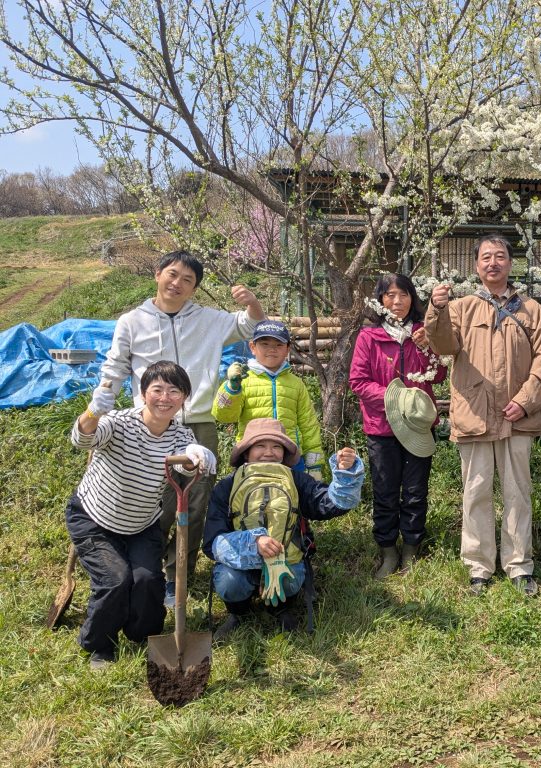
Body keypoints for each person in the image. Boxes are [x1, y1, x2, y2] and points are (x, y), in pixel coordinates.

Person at [99, 250, 266, 607]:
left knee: (194, 502)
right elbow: (114, 369)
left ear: (194, 289)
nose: (177, 283)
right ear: (158, 274)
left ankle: (179, 576)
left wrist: (252, 303)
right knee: (150, 501)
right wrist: (100, 412)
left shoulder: (208, 319)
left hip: (199, 424)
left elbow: (250, 327)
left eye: (187, 280)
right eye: (172, 275)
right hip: (150, 425)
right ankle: (145, 571)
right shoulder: (132, 321)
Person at [424, 234, 541, 597]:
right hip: (475, 415)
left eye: (500, 256)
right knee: (476, 492)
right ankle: (478, 566)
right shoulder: (462, 307)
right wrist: (436, 309)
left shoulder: (533, 310)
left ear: (511, 263)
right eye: (486, 257)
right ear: (476, 266)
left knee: (518, 492)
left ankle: (518, 565)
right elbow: (444, 346)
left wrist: (526, 400)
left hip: (518, 417)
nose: (493, 262)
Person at [64, 361, 216, 669]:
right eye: (157, 389)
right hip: (94, 519)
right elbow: (81, 439)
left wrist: (196, 457)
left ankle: (141, 636)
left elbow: (185, 462)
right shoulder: (118, 422)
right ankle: (100, 645)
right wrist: (93, 412)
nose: (165, 398)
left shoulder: (179, 434)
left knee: (147, 580)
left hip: (141, 524)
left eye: (174, 391)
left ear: (184, 397)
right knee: (116, 579)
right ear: (142, 393)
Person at [203, 418, 364, 638]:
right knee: (230, 582)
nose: (269, 452)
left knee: (289, 581)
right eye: (260, 445)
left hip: (286, 559)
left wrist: (345, 474)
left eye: (276, 446)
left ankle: (279, 607)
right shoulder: (227, 486)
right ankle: (238, 612)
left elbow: (328, 504)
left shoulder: (296, 480)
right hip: (239, 564)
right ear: (246, 452)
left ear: (284, 453)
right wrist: (254, 543)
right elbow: (213, 542)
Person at [349, 274, 446, 580]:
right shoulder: (369, 337)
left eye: (403, 295)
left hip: (418, 425)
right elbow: (358, 381)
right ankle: (388, 550)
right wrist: (395, 400)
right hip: (382, 426)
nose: (397, 301)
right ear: (380, 301)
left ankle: (412, 548)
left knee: (416, 490)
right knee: (385, 490)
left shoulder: (424, 331)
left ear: (412, 299)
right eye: (389, 295)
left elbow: (439, 375)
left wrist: (427, 347)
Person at [212, 319, 325, 477]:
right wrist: (232, 388)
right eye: (265, 344)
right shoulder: (242, 380)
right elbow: (223, 416)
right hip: (253, 456)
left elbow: (309, 425)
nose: (272, 350)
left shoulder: (296, 384)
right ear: (252, 347)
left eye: (278, 345)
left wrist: (315, 465)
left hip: (289, 458)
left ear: (287, 350)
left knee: (292, 500)